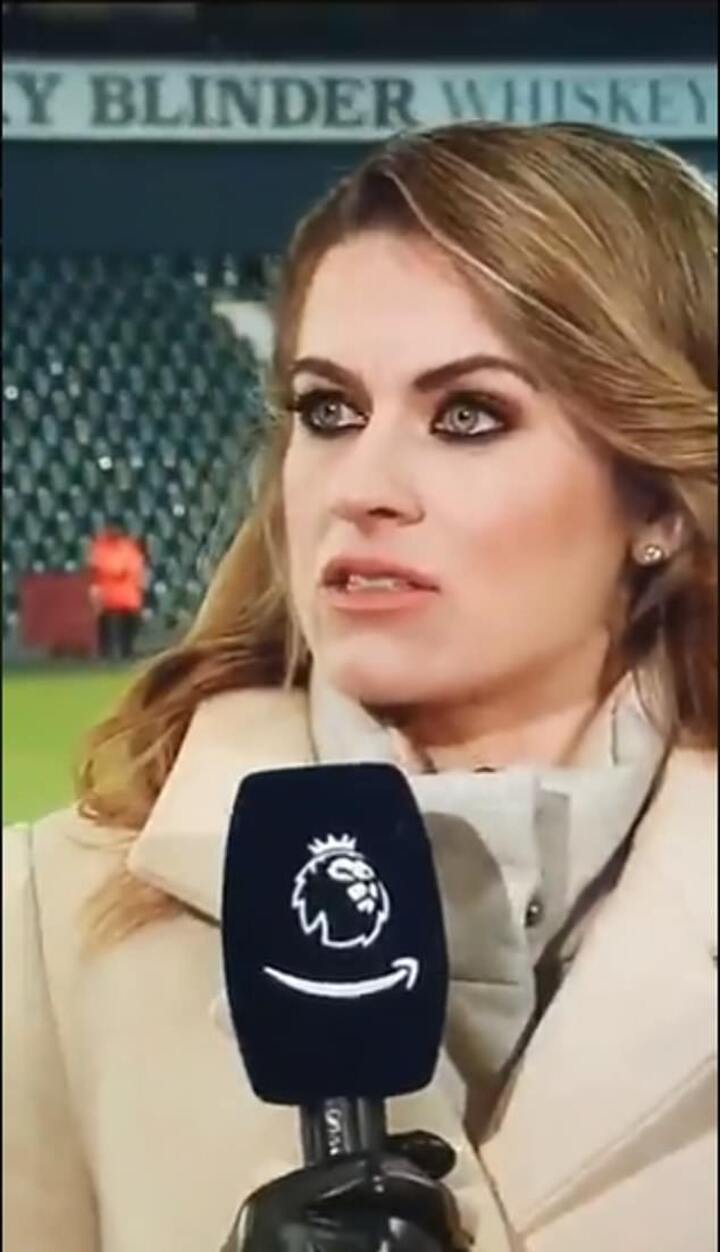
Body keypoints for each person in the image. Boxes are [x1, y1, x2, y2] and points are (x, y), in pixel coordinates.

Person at [3, 122, 716, 1251]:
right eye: (328, 411)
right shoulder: (49, 923)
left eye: (467, 416)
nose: (360, 485)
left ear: (660, 502)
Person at [87, 521, 146, 660]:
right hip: (109, 599)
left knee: (128, 629)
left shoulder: (128, 547)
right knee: (109, 630)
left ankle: (126, 654)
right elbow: (105, 568)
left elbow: (136, 567)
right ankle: (108, 656)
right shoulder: (100, 547)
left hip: (129, 598)